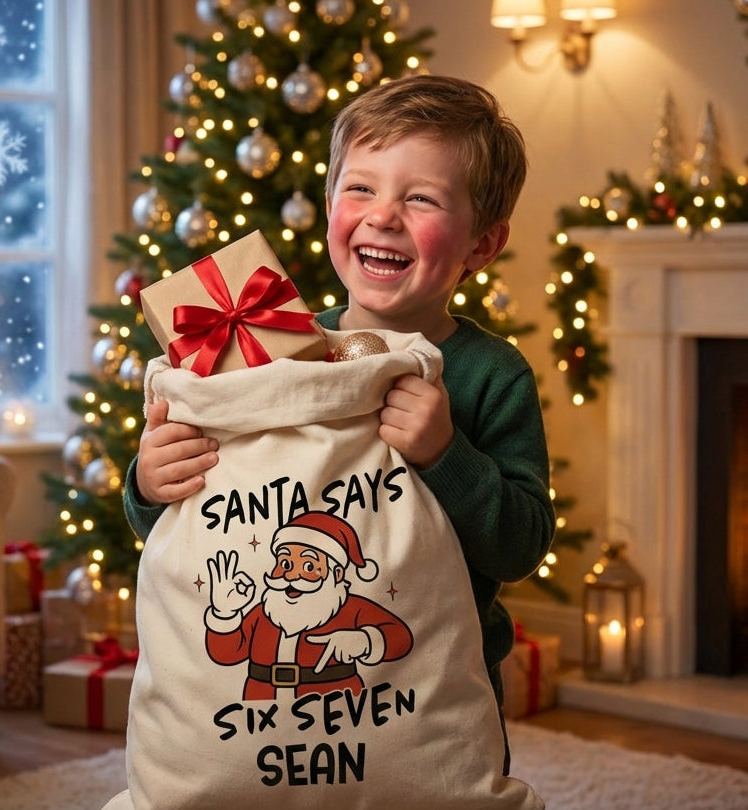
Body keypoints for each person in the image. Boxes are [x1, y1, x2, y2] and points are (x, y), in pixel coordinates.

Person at [123, 74, 555, 772]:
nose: (383, 215)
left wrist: (448, 453)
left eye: (420, 198)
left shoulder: (489, 375)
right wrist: (150, 483)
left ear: (482, 242)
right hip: (251, 717)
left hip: (428, 709)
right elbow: (203, 524)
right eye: (361, 188)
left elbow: (520, 546)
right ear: (329, 207)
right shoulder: (265, 356)